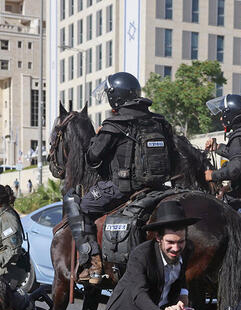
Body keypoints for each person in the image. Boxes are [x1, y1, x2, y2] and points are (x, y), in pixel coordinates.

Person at [64, 72, 177, 281]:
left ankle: (93, 264)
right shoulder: (159, 122)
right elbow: (175, 157)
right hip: (158, 187)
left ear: (115, 97)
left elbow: (92, 157)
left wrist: (98, 137)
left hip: (121, 188)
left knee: (80, 206)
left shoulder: (114, 125)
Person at [99, 201, 197, 310]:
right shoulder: (141, 255)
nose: (176, 248)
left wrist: (183, 298)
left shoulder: (186, 249)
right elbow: (138, 293)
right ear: (158, 238)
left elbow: (181, 277)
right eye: (170, 242)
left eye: (181, 241)